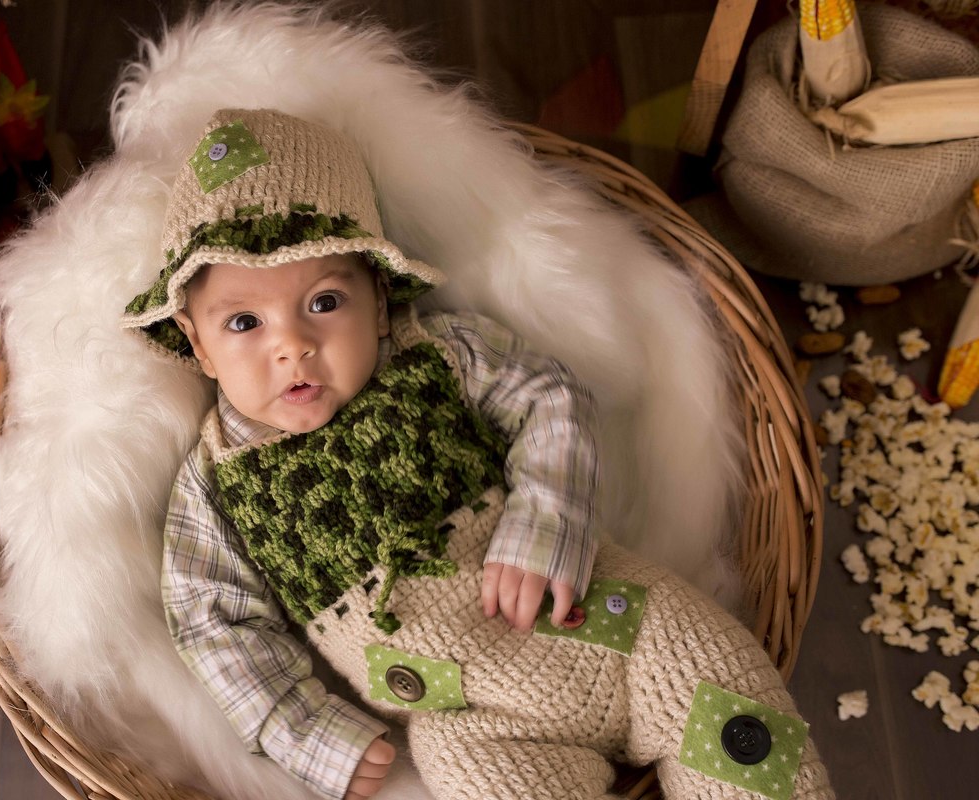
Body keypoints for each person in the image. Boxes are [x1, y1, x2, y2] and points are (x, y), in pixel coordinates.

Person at [125, 108, 834, 800]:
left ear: (378, 298)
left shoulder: (438, 353)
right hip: (468, 720)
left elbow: (550, 398)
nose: (292, 346)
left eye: (324, 302)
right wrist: (311, 734)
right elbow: (212, 621)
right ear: (197, 345)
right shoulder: (218, 481)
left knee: (718, 678)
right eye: (245, 322)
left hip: (606, 612)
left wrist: (545, 523)